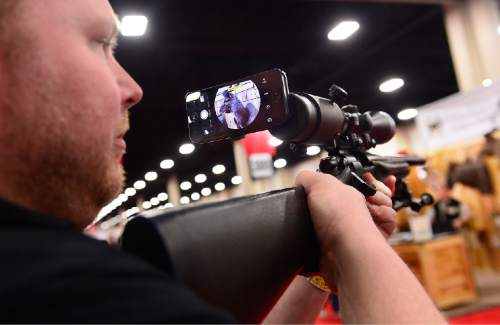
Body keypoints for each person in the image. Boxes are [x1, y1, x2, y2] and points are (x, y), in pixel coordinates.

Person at [0, 0, 445, 323]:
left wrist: (324, 266)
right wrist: (355, 236)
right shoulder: (80, 296)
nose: (132, 86)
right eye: (99, 43)